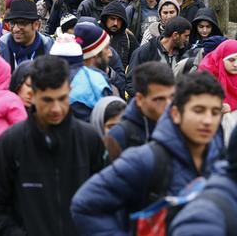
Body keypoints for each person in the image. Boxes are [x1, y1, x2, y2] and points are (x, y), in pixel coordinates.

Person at [70, 72, 226, 233]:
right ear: (176, 114)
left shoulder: (221, 165)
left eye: (215, 112)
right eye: (198, 110)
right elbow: (86, 204)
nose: (208, 120)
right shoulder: (145, 159)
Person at [0, 55, 105, 236]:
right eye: (47, 100)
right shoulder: (10, 144)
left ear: (70, 90)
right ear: (33, 95)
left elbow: (105, 200)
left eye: (62, 98)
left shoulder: (89, 140)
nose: (56, 108)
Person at [105, 61, 175, 162]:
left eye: (172, 97)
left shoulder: (178, 127)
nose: (168, 104)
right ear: (140, 99)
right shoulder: (119, 135)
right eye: (159, 99)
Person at [198, 39, 237, 142]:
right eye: (231, 60)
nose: (236, 64)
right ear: (221, 59)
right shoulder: (207, 78)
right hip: (207, 139)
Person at [127, 16, 191, 86]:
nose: (187, 39)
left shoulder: (183, 52)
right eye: (186, 36)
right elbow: (131, 83)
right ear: (175, 35)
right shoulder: (144, 52)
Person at [0, 0, 53, 70]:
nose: (15, 29)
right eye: (12, 23)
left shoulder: (49, 48)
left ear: (36, 25)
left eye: (21, 23)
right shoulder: (0, 48)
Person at [100, 0, 137, 68]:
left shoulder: (129, 38)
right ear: (106, 19)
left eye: (119, 20)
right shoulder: (96, 34)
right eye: (112, 19)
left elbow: (135, 63)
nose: (115, 23)